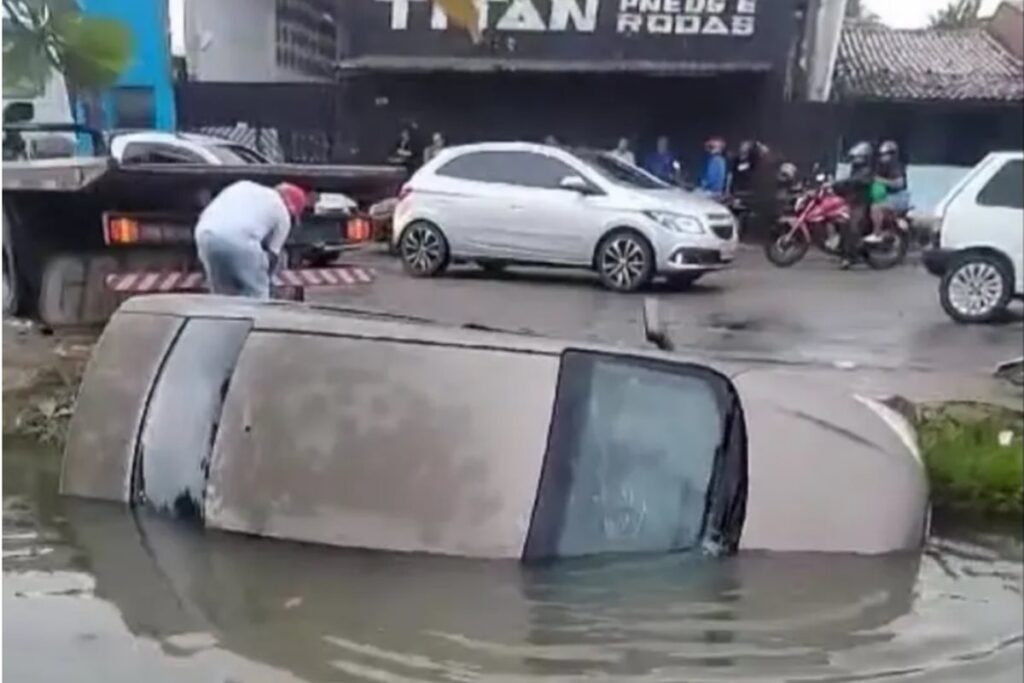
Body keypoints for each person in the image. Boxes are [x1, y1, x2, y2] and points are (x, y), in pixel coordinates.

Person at [194, 180, 308, 299]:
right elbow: (272, 256)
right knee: (257, 294)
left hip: (205, 234)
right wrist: (265, 279)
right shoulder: (282, 212)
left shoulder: (243, 185)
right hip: (240, 239)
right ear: (292, 209)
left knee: (223, 297)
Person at [832, 141, 875, 269]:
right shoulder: (856, 169)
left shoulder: (867, 170)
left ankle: (849, 257)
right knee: (839, 220)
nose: (855, 160)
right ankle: (841, 249)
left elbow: (856, 181)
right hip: (851, 201)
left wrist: (842, 183)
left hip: (861, 202)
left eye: (858, 157)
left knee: (851, 227)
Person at [864, 140, 910, 244]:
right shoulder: (885, 166)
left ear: (892, 154)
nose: (882, 157)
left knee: (876, 206)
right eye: (881, 154)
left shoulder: (895, 166)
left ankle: (877, 234)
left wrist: (878, 180)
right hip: (893, 196)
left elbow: (898, 183)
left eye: (885, 154)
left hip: (898, 197)